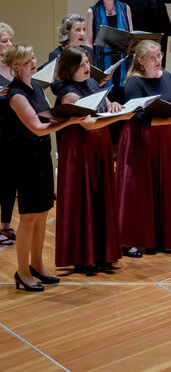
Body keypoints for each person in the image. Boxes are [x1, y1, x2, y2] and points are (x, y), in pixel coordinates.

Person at [4, 45, 85, 291]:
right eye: (27, 60)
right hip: (25, 159)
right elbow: (38, 127)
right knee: (28, 217)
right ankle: (22, 271)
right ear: (15, 66)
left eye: (33, 57)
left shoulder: (37, 87)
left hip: (41, 156)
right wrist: (70, 121)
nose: (33, 61)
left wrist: (71, 112)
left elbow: (48, 115)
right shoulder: (16, 95)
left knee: (42, 214)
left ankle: (38, 265)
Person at [53, 46, 131, 273]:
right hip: (80, 151)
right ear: (69, 69)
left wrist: (114, 106)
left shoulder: (91, 84)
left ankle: (102, 252)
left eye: (87, 62)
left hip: (99, 146)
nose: (87, 68)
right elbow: (88, 123)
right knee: (84, 198)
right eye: (81, 65)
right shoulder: (69, 94)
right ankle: (84, 255)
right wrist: (121, 117)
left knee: (101, 197)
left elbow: (105, 106)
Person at [117, 40, 171, 257]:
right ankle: (131, 239)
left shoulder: (167, 76)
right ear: (140, 61)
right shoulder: (133, 82)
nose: (158, 61)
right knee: (139, 190)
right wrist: (168, 121)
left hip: (164, 139)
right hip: (141, 140)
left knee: (164, 185)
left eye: (159, 56)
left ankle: (163, 237)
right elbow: (138, 117)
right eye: (152, 58)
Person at [85, 0, 133, 102]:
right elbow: (89, 41)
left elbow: (132, 36)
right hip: (102, 60)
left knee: (124, 97)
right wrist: (90, 63)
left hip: (123, 60)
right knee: (107, 99)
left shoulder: (125, 8)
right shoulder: (93, 11)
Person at [0, 22, 15, 246]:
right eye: (4, 41)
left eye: (10, 40)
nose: (10, 44)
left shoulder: (13, 67)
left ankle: (6, 225)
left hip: (14, 130)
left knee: (11, 180)